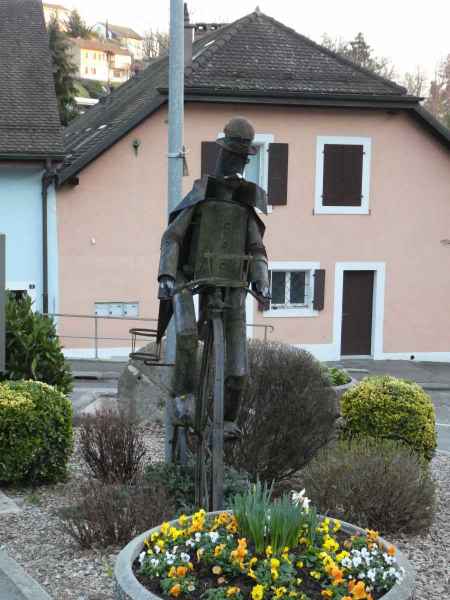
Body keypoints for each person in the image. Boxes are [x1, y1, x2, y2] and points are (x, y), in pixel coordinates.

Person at [157, 117, 270, 435]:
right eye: (233, 157)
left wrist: (261, 279)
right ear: (223, 154)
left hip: (231, 284)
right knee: (188, 335)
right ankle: (183, 397)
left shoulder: (245, 204)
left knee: (238, 371)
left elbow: (257, 248)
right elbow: (172, 237)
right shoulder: (201, 194)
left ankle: (227, 421)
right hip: (188, 276)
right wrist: (166, 274)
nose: (236, 164)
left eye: (241, 159)